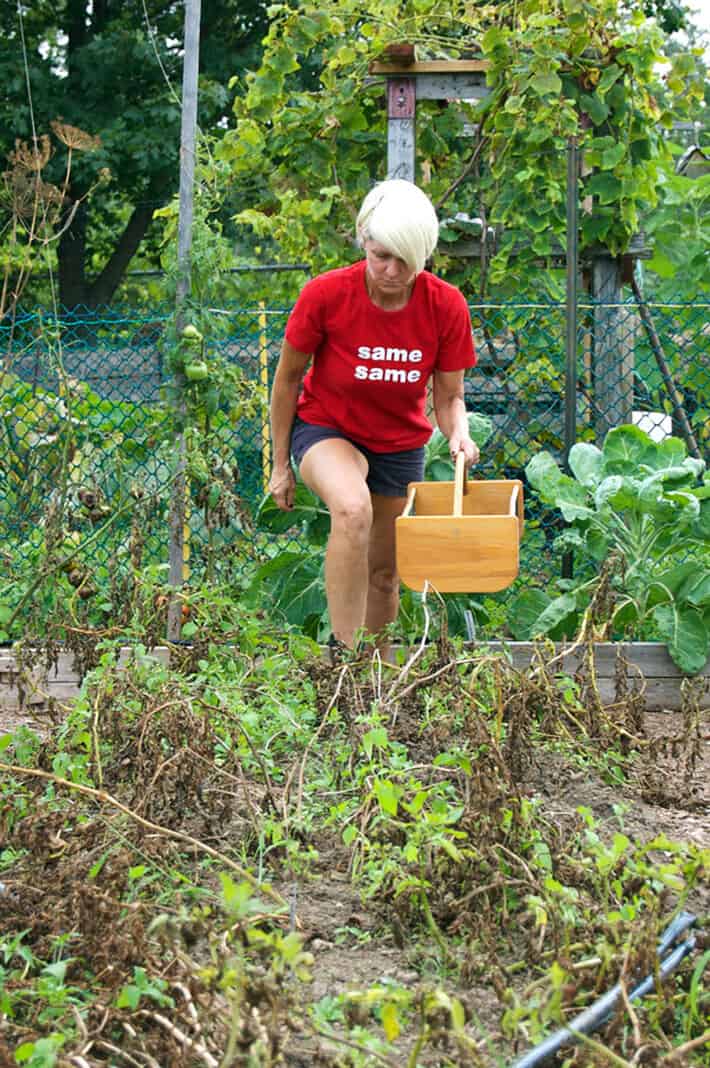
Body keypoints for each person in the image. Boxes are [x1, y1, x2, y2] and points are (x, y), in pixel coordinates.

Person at [268, 179, 479, 650]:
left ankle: (375, 681)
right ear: (363, 238)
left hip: (399, 445)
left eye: (405, 259)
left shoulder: (444, 306)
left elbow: (448, 397)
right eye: (380, 254)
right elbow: (286, 381)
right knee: (350, 507)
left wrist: (459, 434)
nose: (390, 269)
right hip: (327, 429)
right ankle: (344, 666)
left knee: (384, 576)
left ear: (424, 254)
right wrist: (280, 466)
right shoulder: (325, 296)